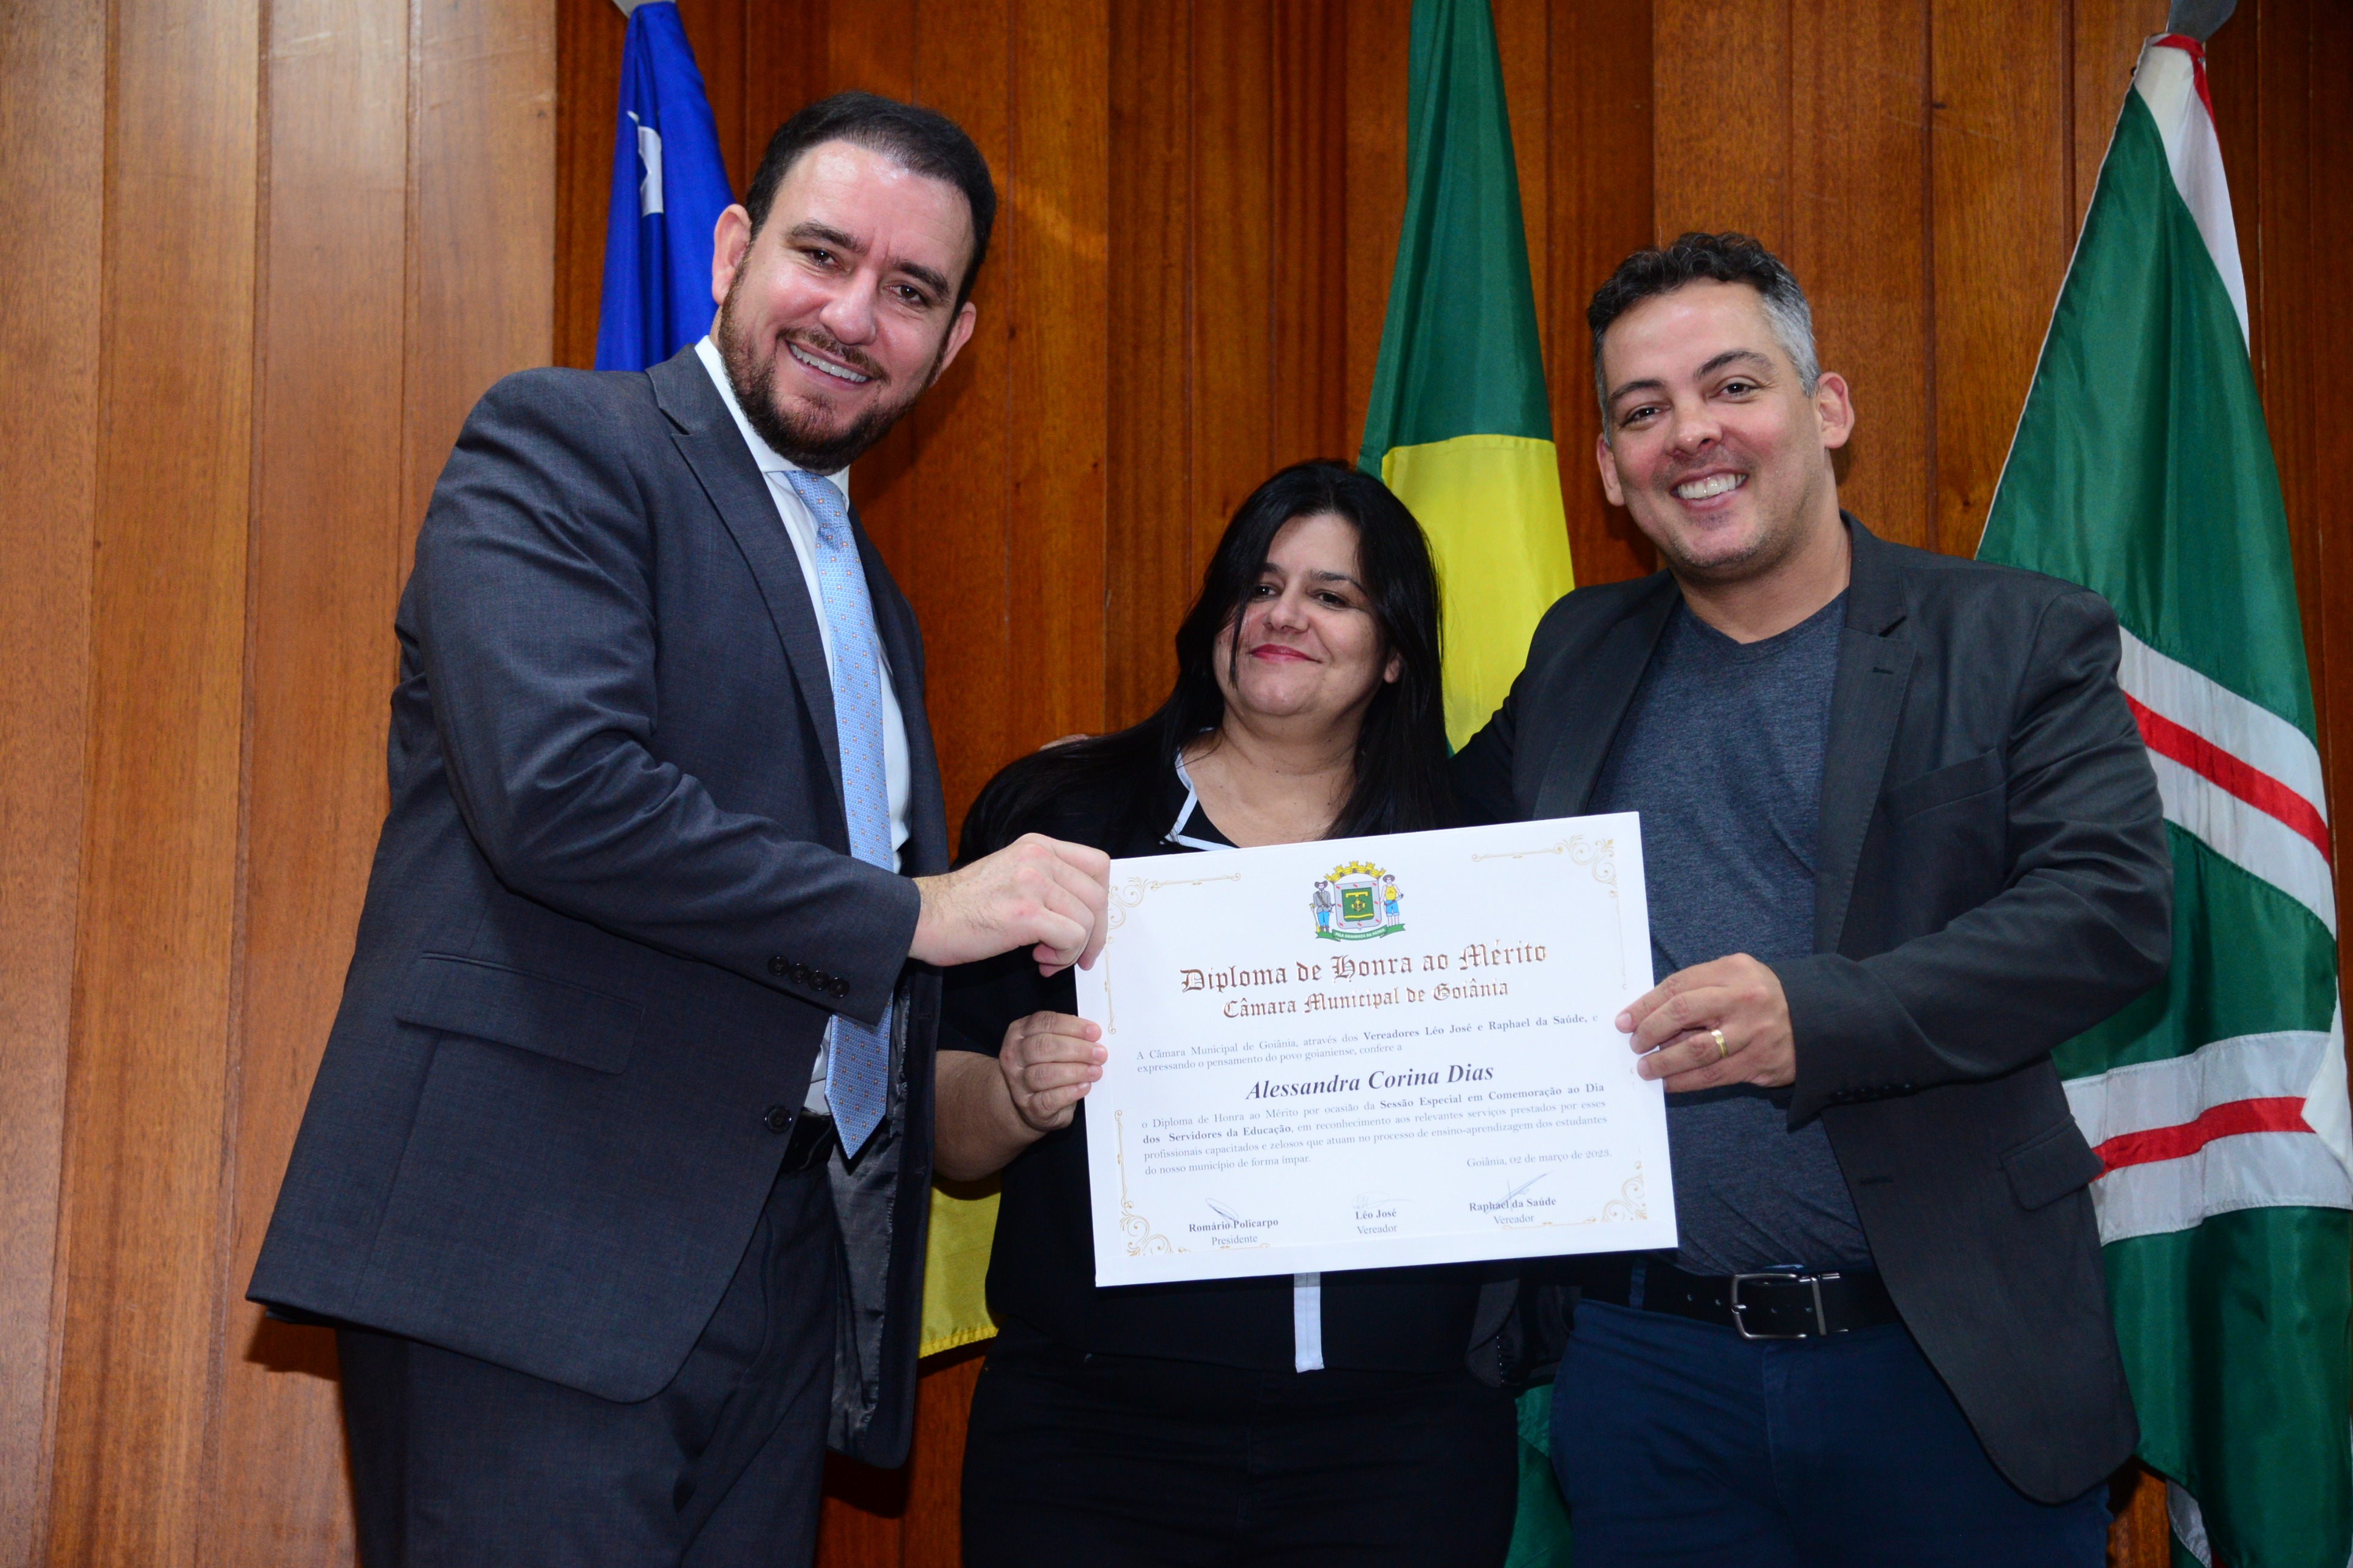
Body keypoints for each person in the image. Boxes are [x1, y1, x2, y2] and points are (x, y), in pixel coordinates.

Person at [248, 93, 1113, 1568]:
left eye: (911, 291)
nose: (855, 315)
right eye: (823, 255)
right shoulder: (564, 444)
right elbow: (562, 797)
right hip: (534, 1252)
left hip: (785, 1269)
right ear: (730, 250)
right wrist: (919, 911)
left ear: (954, 341)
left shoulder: (874, 600)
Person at [1453, 234, 2171, 1566]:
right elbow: (1413, 856)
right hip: (1650, 1374)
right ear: (1609, 468)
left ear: (1826, 407)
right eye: (1643, 411)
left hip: (1946, 1361)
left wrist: (1817, 1014)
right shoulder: (1574, 652)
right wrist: (1139, 811)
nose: (1691, 433)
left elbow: (2109, 912)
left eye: (1733, 385)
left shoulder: (2012, 634)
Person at [936, 460, 1519, 1568]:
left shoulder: (1474, 857)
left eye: (1333, 595)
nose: (1284, 615)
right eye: (1260, 585)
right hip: (1089, 1441)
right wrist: (1013, 1091)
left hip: (1398, 1451)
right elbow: (943, 1126)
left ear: (1396, 652)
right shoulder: (1063, 821)